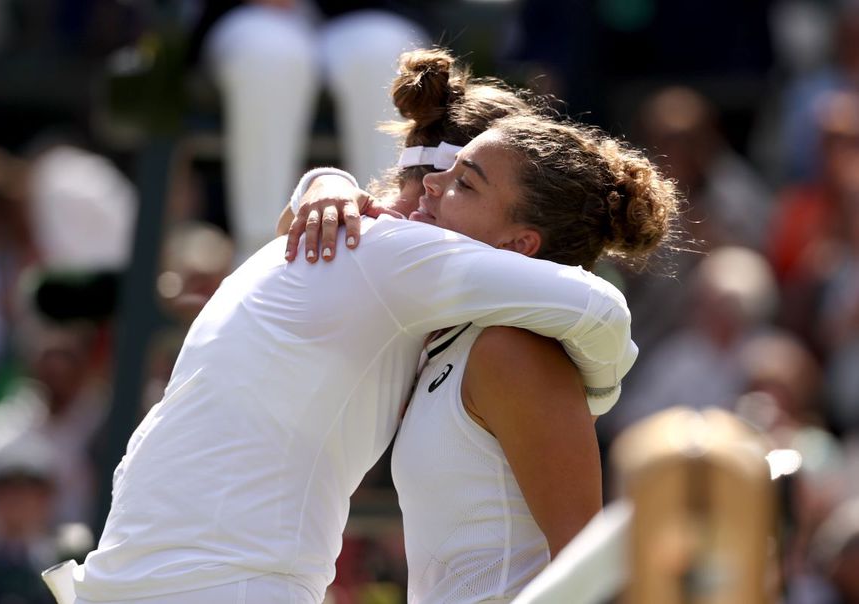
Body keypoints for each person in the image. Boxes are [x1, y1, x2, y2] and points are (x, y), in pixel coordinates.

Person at [73, 53, 639, 604]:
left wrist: (321, 181)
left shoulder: (372, 257)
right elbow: (601, 310)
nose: (444, 191)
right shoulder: (396, 253)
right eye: (454, 177)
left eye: (468, 184)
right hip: (221, 585)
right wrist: (597, 390)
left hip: (142, 576)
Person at [285, 49, 681, 602]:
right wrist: (326, 181)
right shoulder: (450, 337)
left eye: (464, 184)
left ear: (519, 245)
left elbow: (589, 567)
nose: (431, 186)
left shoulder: (511, 351)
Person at [189, 0, 428, 258]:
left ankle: (389, 244)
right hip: (251, 14)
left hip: (369, 13)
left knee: (384, 53)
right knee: (269, 55)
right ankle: (261, 256)